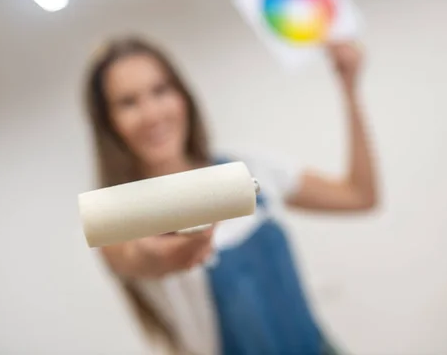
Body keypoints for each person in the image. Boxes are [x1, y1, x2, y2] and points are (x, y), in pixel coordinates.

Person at [83, 36, 378, 355]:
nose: (152, 113)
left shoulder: (248, 168)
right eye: (128, 102)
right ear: (109, 124)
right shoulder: (117, 218)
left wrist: (350, 89)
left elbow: (359, 195)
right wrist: (183, 247)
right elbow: (145, 256)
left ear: (183, 96)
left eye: (161, 90)